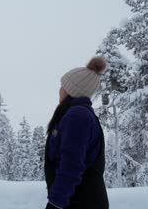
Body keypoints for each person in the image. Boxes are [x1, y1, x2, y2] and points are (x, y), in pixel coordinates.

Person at [44, 56, 109, 209]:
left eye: (63, 86)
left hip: (80, 203)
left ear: (72, 90)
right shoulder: (78, 114)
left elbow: (71, 165)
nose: (59, 89)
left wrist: (55, 203)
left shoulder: (77, 116)